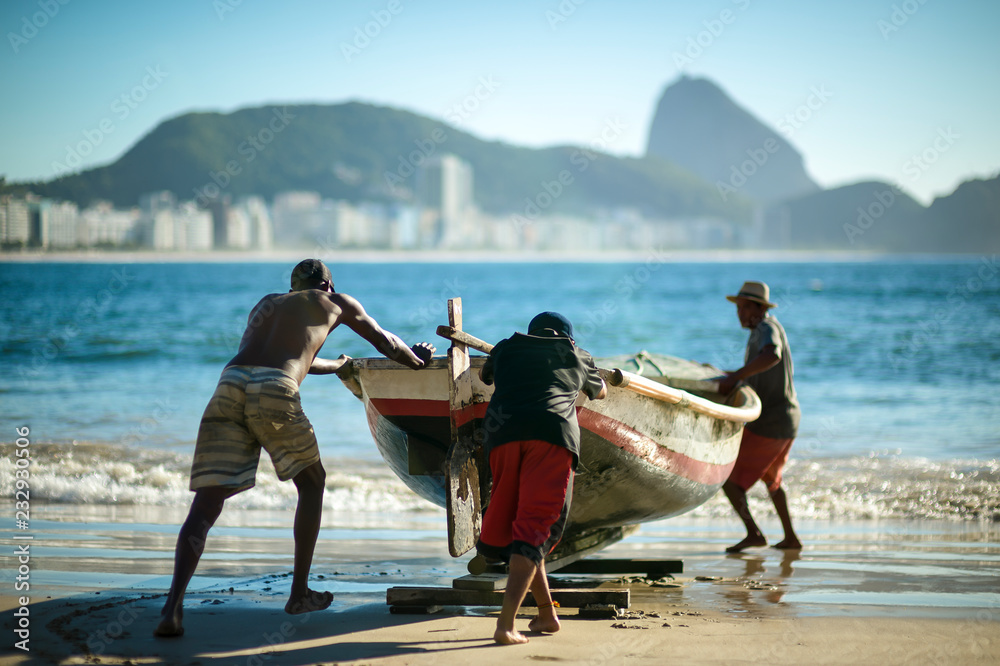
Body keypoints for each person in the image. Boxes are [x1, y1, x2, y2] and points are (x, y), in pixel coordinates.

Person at [154, 259, 436, 637]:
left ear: (292, 288)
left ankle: (172, 609)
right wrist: (418, 358)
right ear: (329, 285)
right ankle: (299, 593)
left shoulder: (266, 304)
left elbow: (283, 358)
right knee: (313, 482)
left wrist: (337, 365)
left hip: (229, 382)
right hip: (275, 389)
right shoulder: (338, 302)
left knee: (207, 501)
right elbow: (386, 343)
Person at [474, 312, 607, 645]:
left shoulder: (505, 348)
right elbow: (600, 391)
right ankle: (506, 625)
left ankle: (547, 615)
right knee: (534, 528)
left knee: (523, 528)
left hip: (501, 436)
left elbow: (486, 376)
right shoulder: (577, 354)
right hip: (551, 435)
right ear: (568, 337)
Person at [718, 281, 802, 553]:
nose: (740, 314)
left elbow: (772, 355)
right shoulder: (760, 330)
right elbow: (760, 369)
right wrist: (732, 376)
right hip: (787, 419)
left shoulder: (767, 328)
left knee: (729, 479)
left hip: (772, 421)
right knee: (772, 479)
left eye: (744, 308)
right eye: (738, 309)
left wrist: (737, 376)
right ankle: (790, 538)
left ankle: (754, 534)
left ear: (759, 308)